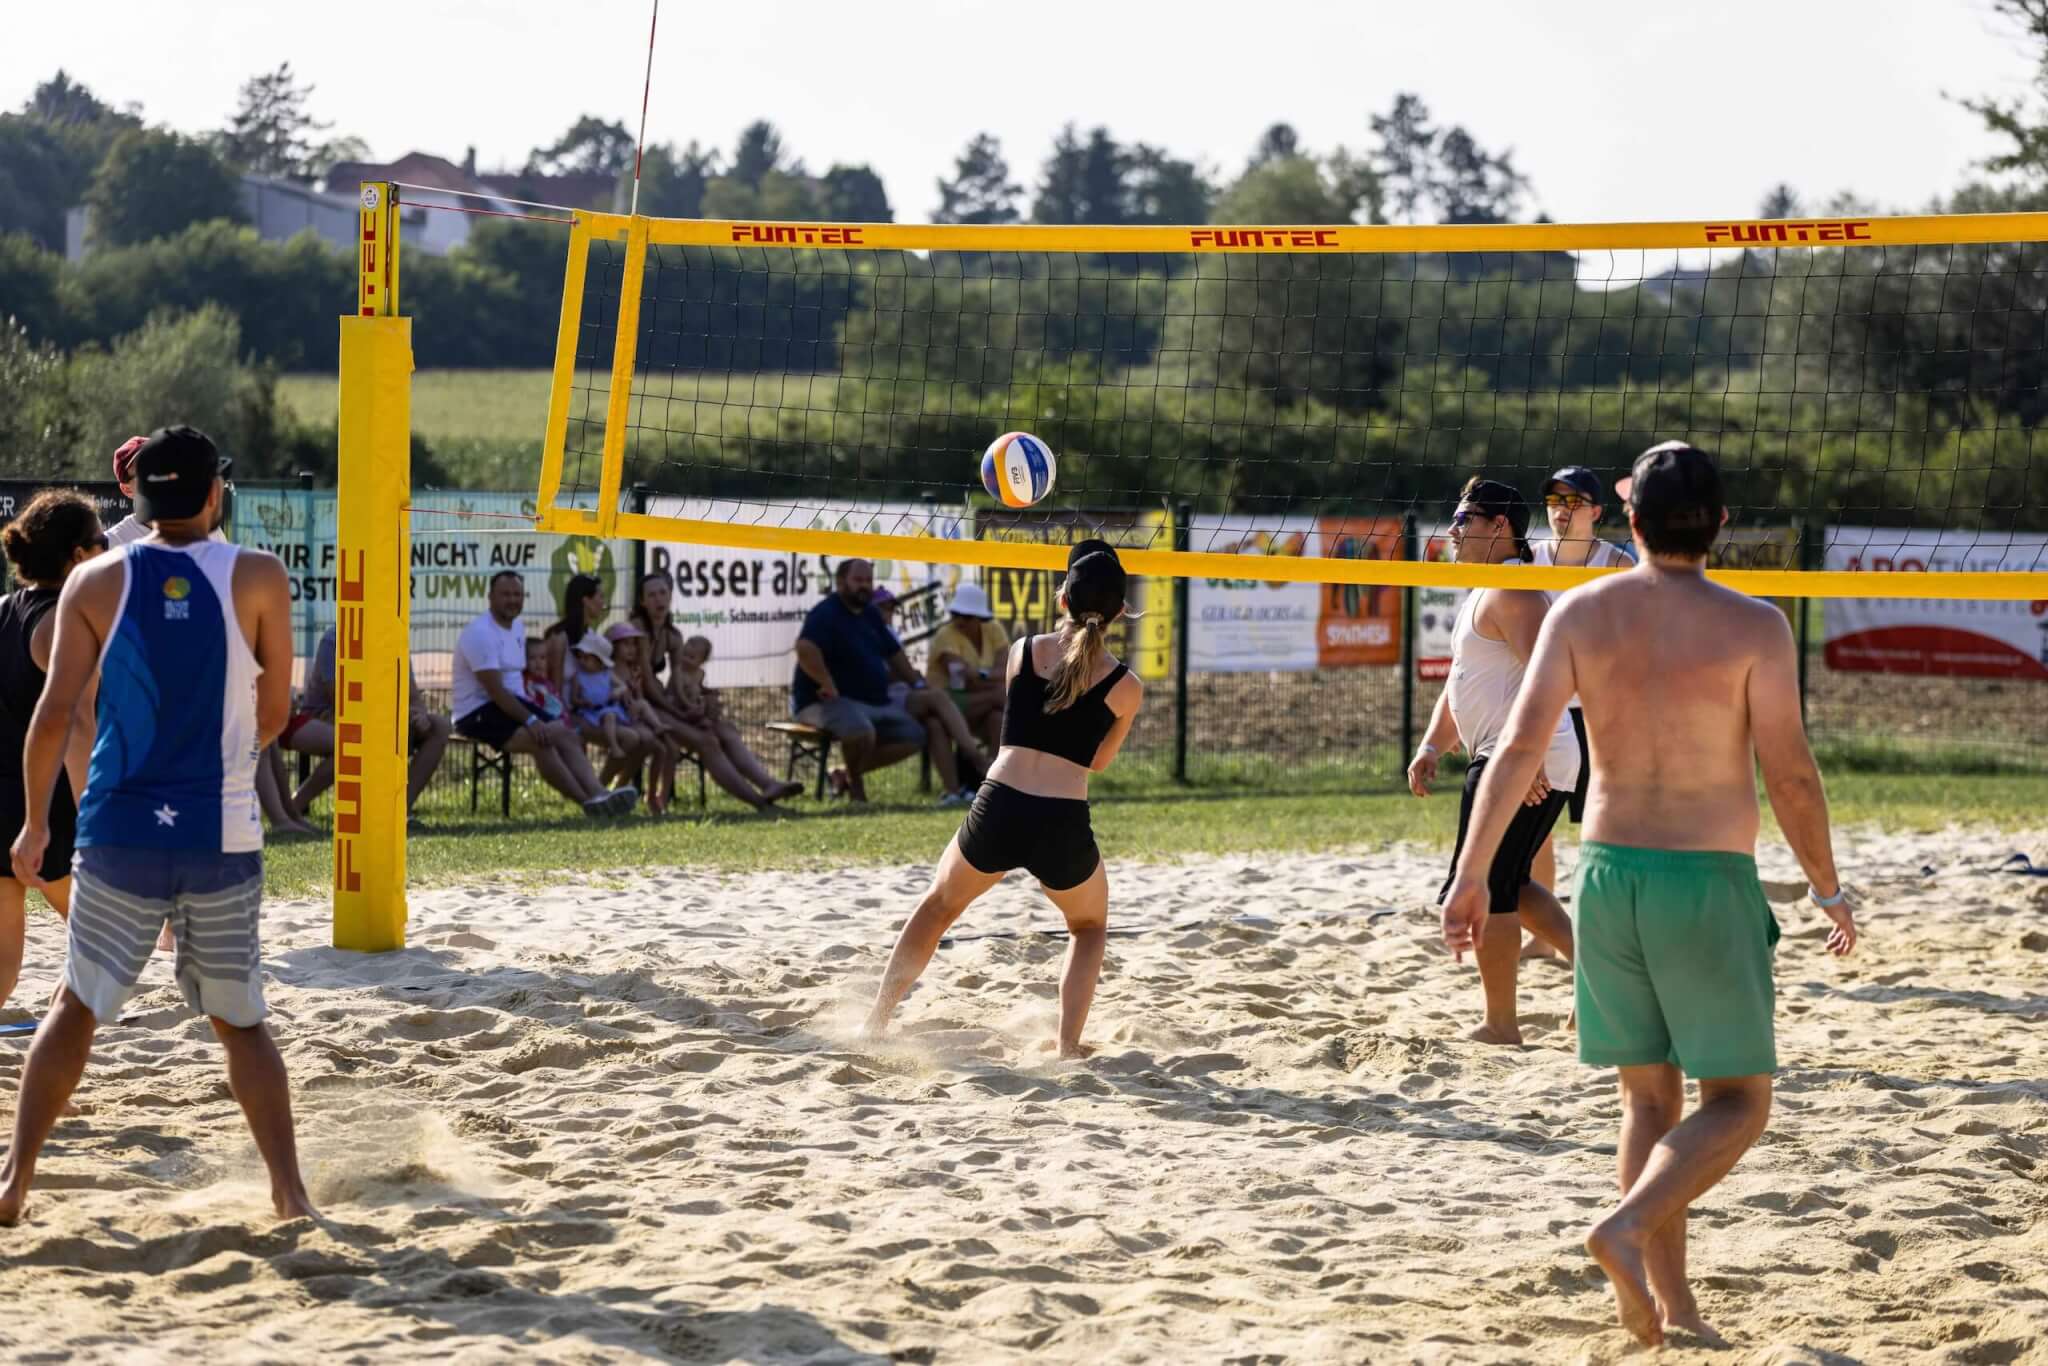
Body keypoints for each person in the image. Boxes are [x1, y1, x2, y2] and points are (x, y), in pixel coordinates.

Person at [1440, 442, 1856, 1347]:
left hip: (1609, 878)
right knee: (1739, 1101)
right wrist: (1827, 886)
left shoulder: (1580, 611)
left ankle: (1675, 1310)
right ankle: (1626, 1228)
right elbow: (1790, 774)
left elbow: (1516, 749)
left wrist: (1472, 873)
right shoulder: (1756, 625)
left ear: (1629, 521)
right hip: (1703, 877)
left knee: (1647, 1103)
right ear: (1721, 524)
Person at [4, 425, 314, 1223]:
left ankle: (15, 1183)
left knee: (76, 1007)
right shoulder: (258, 575)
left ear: (136, 500)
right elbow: (274, 714)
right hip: (218, 828)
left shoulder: (93, 580)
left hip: (118, 826)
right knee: (241, 1024)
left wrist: (36, 824)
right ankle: (288, 1193)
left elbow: (54, 716)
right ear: (214, 494)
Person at [864, 541, 1144, 1059]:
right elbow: (1098, 762)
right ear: (1121, 612)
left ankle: (875, 1023)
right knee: (1088, 928)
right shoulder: (1127, 687)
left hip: (1000, 804)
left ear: (1062, 599)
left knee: (938, 907)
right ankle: (1066, 1047)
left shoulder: (1022, 651)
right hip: (1061, 818)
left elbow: (1022, 720)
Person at [1407, 477, 1577, 1045]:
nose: (1453, 530)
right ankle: (1600, 977)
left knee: (1492, 885)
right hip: (1509, 753)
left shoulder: (1515, 593)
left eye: (1465, 519)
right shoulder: (1486, 589)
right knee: (1512, 882)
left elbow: (1545, 681)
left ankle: (1501, 1025)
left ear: (1499, 525)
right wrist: (1433, 745)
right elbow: (1462, 682)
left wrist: (1528, 760)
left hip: (1520, 755)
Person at [0, 493, 105, 1013]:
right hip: (45, 807)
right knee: (100, 940)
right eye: (101, 540)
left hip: (4, 799)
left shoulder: (4, 611)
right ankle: (59, 1054)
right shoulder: (67, 624)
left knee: (3, 959)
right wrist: (95, 811)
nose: (109, 548)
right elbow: (78, 727)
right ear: (79, 555)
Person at [1525, 465, 1637, 940]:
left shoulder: (1618, 566)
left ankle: (1609, 931)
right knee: (1536, 832)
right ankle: (1543, 939)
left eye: (1573, 502)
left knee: (1604, 827)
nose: (1561, 511)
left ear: (1596, 511)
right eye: (1554, 501)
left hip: (1597, 713)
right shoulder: (1526, 560)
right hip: (1544, 711)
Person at [792, 559, 985, 805]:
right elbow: (805, 648)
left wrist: (917, 684)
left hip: (876, 701)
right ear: (840, 582)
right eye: (858, 580)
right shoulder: (825, 614)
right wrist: (826, 681)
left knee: (917, 733)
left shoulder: (870, 614)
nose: (864, 586)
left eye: (868, 580)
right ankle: (857, 788)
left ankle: (970, 767)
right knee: (860, 731)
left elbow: (895, 655)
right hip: (828, 702)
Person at [452, 571, 635, 817]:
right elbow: (495, 691)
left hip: (511, 704)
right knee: (541, 741)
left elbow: (516, 687)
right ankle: (588, 803)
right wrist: (531, 720)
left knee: (566, 734)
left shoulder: (517, 626)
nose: (512, 600)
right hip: (477, 712)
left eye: (517, 594)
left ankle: (599, 793)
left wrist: (537, 712)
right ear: (490, 597)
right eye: (505, 594)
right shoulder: (480, 633)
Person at [280, 625, 452, 827]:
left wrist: (418, 715)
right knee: (360, 738)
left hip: (383, 718)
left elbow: (413, 696)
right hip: (328, 715)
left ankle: (399, 811)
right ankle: (294, 807)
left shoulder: (395, 639)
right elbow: (341, 699)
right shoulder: (334, 639)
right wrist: (390, 717)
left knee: (439, 726)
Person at [544, 572, 645, 789]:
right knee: (630, 739)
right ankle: (599, 792)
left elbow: (607, 676)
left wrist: (623, 691)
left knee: (642, 739)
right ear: (585, 600)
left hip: (600, 710)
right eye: (599, 596)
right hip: (573, 713)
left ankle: (600, 791)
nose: (603, 602)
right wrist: (566, 719)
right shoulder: (559, 638)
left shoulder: (591, 636)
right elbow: (554, 687)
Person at [926, 582, 1010, 762]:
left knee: (997, 719)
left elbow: (1006, 671)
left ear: (980, 617)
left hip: (978, 702)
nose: (959, 620)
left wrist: (980, 675)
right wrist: (991, 677)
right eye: (955, 614)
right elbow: (964, 681)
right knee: (1001, 696)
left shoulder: (993, 629)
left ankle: (990, 774)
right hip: (947, 702)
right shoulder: (945, 635)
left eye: (966, 616)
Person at [567, 631, 638, 761]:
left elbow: (623, 686)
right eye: (580, 656)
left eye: (586, 658)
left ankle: (653, 725)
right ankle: (613, 746)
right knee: (609, 716)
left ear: (599, 661)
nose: (581, 661)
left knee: (612, 714)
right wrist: (582, 702)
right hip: (591, 712)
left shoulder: (607, 674)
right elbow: (573, 699)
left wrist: (617, 691)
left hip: (609, 707)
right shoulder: (578, 677)